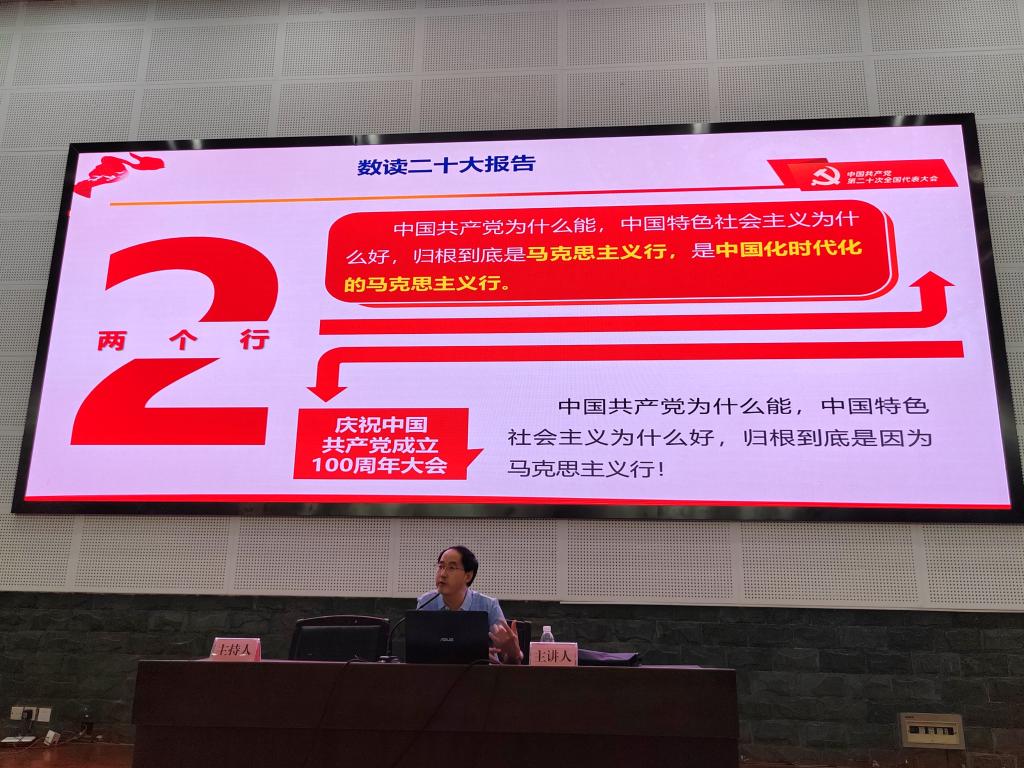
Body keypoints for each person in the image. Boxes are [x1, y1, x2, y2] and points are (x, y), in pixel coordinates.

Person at [416, 545, 523, 664]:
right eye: (441, 567)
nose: (442, 574)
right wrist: (470, 653)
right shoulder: (425, 603)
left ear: (468, 576)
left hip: (480, 674)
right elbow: (419, 651)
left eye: (451, 568)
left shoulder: (488, 606)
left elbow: (510, 660)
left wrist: (513, 653)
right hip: (437, 673)